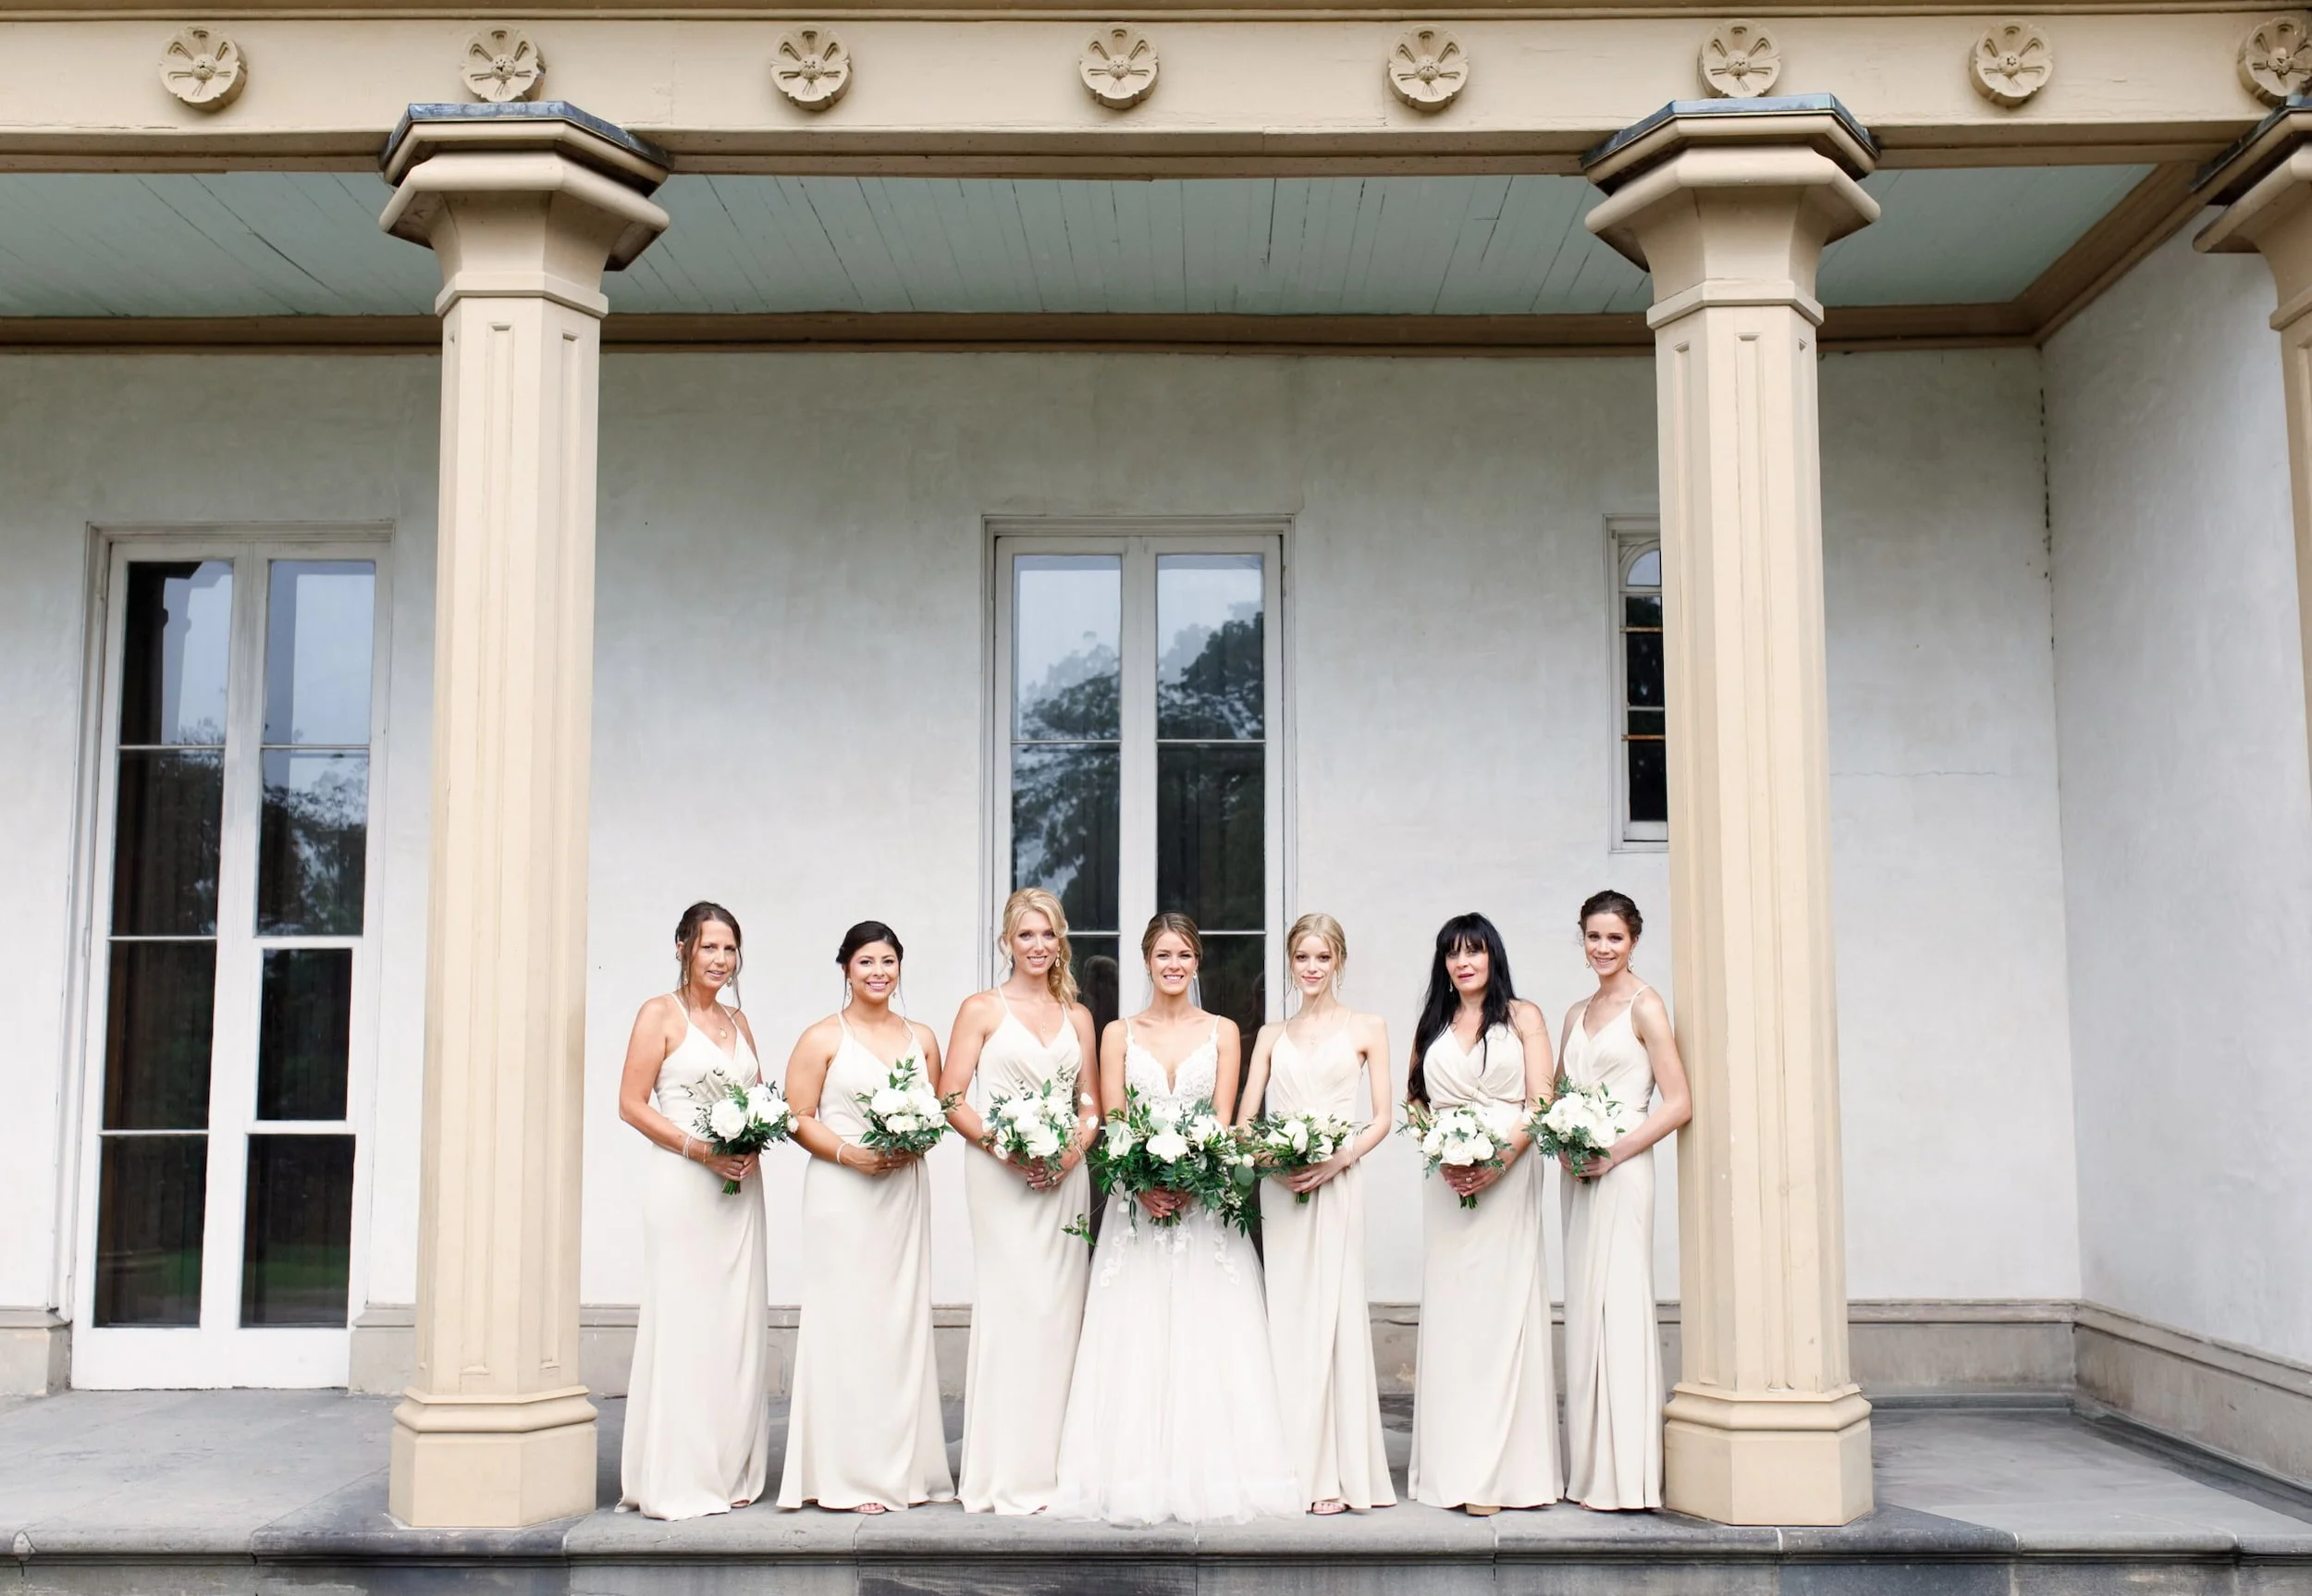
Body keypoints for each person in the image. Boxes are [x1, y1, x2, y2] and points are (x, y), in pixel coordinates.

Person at [1048, 913, 1300, 1525]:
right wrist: (1140, 1184)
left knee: (1207, 1332)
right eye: (1164, 955)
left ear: (1197, 963)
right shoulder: (1118, 1032)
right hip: (1138, 1208)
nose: (1174, 966)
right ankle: (1131, 1472)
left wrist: (1196, 1178)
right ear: (1146, 960)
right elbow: (1112, 1119)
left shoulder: (1222, 1031)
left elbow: (1220, 1120)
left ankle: (1212, 1471)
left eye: (1184, 955)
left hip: (1203, 1208)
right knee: (1134, 1332)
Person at [776, 921, 954, 1513]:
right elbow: (797, 1115)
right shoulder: (822, 1037)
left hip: (902, 1189)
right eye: (865, 963)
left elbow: (936, 1111)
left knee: (898, 1323)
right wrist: (850, 1152)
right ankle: (846, 1473)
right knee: (847, 1323)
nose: (878, 972)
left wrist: (915, 1144)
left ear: (900, 967)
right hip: (841, 1193)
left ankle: (902, 1469)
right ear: (846, 970)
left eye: (888, 961)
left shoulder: (923, 1037)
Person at [940, 887, 1102, 1514]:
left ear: (1061, 941)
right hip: (999, 1176)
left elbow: (1091, 1102)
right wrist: (1006, 1148)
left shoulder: (1078, 1016)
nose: (1038, 946)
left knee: (1058, 1316)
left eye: (1048, 935)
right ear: (1006, 942)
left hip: (1064, 1177)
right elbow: (952, 1097)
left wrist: (1070, 1151)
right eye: (1025, 935)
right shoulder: (982, 1009)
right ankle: (1004, 1470)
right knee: (1014, 1314)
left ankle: (1058, 1470)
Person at [615, 901, 773, 1519]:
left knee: (734, 1323)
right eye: (709, 946)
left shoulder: (739, 1019)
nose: (721, 960)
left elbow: (757, 1094)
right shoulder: (660, 1013)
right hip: (684, 1183)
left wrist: (754, 1139)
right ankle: (677, 1472)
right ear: (683, 946)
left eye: (730, 949)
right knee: (686, 1320)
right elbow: (631, 1103)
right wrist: (701, 1150)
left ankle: (727, 1464)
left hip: (739, 1189)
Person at [1234, 913, 1396, 1515]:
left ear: (1339, 962)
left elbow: (1382, 1116)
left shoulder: (1368, 1027)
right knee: (1291, 1317)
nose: (1310, 968)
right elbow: (1246, 1120)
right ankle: (1287, 1467)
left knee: (1334, 1315)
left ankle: (1334, 1472)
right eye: (1301, 957)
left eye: (1321, 958)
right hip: (1283, 1185)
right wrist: (1271, 1160)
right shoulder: (1272, 1034)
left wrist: (1337, 1160)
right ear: (1290, 962)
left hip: (1337, 1180)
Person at [1406, 912, 1563, 1515]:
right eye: (1452, 954)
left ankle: (1502, 1475)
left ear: (1493, 956)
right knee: (1455, 1315)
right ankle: (1455, 1467)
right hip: (1447, 1181)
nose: (1463, 962)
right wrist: (1438, 1152)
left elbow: (1542, 1098)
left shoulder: (1523, 1017)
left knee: (1502, 1312)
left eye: (1474, 951)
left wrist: (1499, 1160)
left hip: (1509, 1170)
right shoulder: (1432, 1023)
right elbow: (1415, 1102)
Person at [1556, 890, 1691, 1511]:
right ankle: (1589, 1471)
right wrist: (1564, 1147)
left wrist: (1614, 1153)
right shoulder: (1574, 1012)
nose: (1603, 948)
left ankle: (1627, 1475)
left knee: (1622, 1305)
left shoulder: (1647, 1006)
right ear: (1581, 940)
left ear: (1633, 940)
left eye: (1614, 937)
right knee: (1585, 1309)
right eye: (1593, 937)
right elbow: (1557, 1100)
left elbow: (1678, 1103)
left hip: (1623, 1169)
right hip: (1578, 1176)